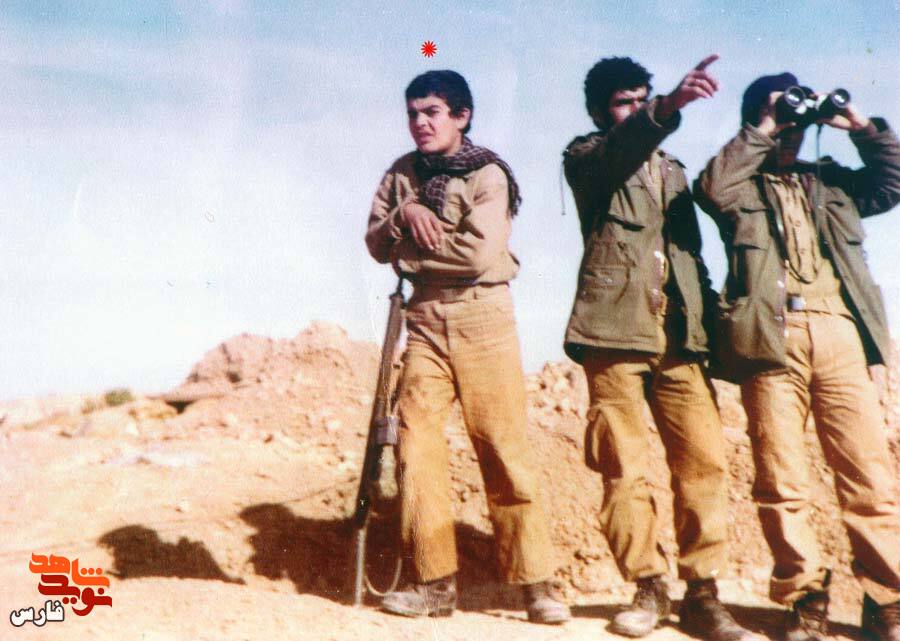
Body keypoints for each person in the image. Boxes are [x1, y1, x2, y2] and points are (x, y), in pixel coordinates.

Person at [693, 72, 900, 641]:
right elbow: (711, 188)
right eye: (778, 114)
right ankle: (804, 597)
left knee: (868, 475)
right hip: (770, 335)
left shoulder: (832, 182)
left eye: (795, 115)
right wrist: (763, 125)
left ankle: (888, 601)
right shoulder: (741, 185)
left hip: (839, 330)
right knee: (781, 479)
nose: (791, 125)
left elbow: (893, 180)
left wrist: (858, 125)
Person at [364, 69, 570, 625]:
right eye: (413, 113)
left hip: (484, 317)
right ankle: (433, 582)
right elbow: (373, 241)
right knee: (415, 446)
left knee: (502, 448)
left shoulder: (488, 174)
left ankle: (536, 584)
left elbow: (476, 255)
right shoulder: (401, 175)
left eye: (432, 112)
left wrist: (405, 253)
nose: (420, 122)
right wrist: (404, 214)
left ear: (462, 116)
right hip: (425, 320)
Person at [562, 55, 756, 641]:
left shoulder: (673, 171)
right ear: (600, 112)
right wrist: (667, 106)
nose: (635, 108)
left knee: (704, 465)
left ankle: (702, 594)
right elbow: (620, 150)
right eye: (623, 102)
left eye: (641, 97)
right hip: (612, 333)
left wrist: (710, 329)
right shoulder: (587, 157)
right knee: (623, 467)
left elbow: (690, 257)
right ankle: (647, 586)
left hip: (679, 339)